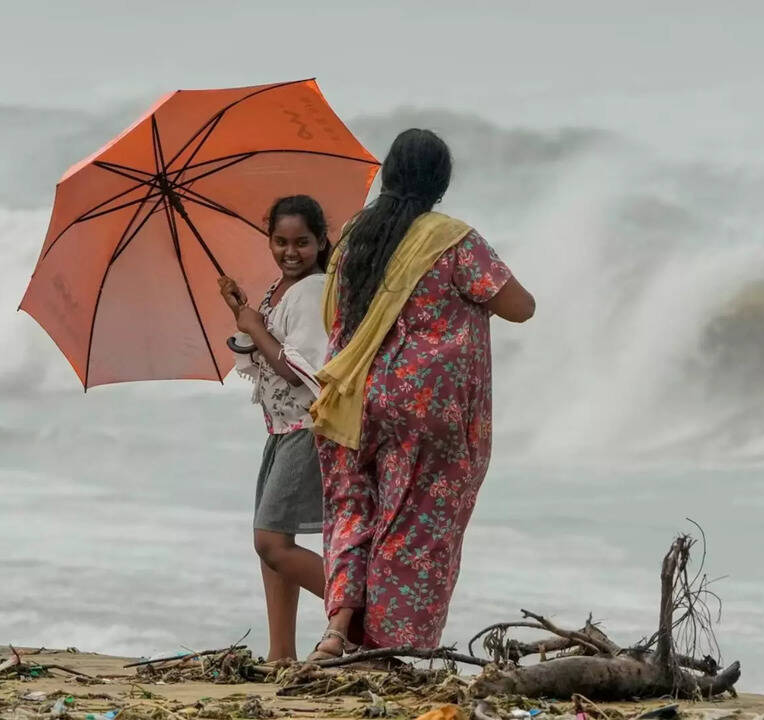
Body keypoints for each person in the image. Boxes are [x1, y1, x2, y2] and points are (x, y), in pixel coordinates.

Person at [308, 129, 535, 660]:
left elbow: (334, 315)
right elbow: (520, 306)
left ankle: (337, 633)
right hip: (426, 407)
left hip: (352, 398)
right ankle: (387, 651)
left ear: (388, 173)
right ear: (440, 181)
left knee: (353, 512)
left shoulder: (353, 237)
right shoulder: (452, 239)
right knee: (413, 524)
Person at [218, 195, 331, 662]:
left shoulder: (315, 289)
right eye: (280, 241)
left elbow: (298, 368)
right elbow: (257, 358)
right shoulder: (278, 290)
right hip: (281, 430)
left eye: (302, 242)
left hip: (308, 428)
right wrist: (242, 313)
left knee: (270, 540)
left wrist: (255, 327)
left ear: (322, 241)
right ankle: (281, 653)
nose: (290, 251)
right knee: (274, 545)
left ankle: (365, 612)